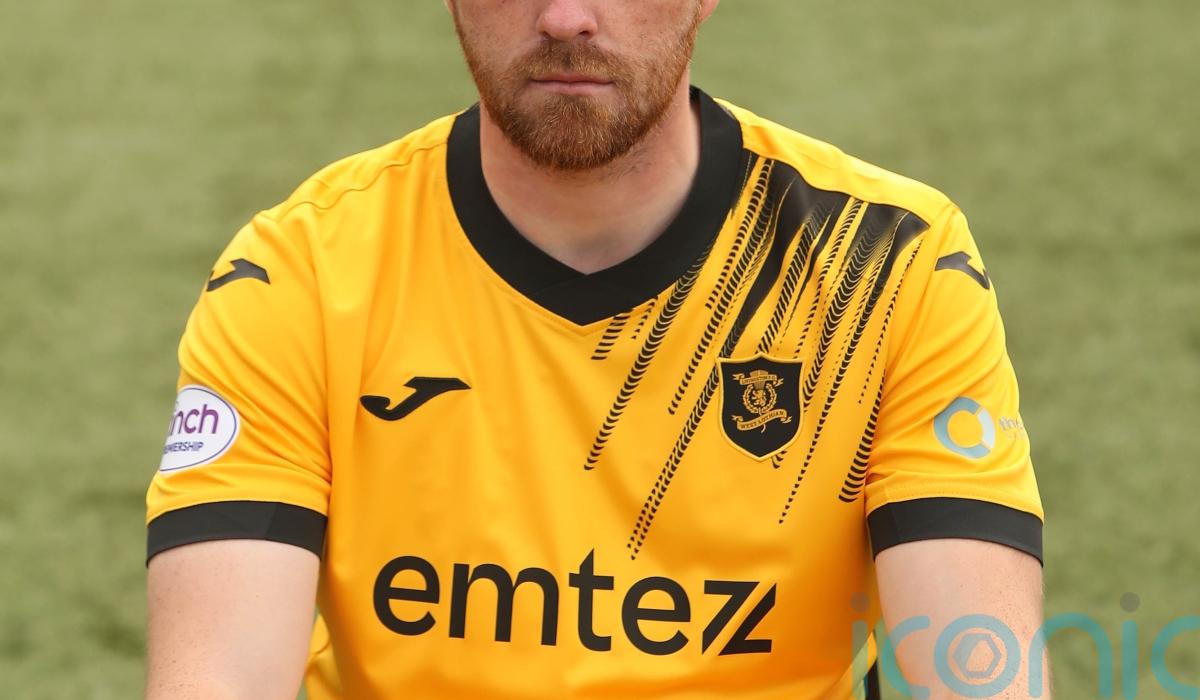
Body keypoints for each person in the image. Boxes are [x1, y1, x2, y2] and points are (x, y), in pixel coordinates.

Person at [144, 1, 1050, 698]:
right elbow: (220, 675)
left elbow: (978, 672)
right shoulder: (302, 271)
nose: (565, 18)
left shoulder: (886, 262)